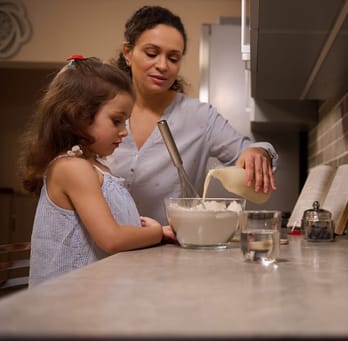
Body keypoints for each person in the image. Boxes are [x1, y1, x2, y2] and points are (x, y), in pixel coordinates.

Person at [106, 5, 278, 225]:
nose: (162, 65)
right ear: (128, 53)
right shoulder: (100, 108)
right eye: (151, 53)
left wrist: (260, 153)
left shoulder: (200, 117)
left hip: (166, 252)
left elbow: (257, 154)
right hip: (101, 250)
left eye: (173, 58)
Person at [18, 55, 176, 286]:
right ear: (78, 116)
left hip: (96, 293)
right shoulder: (72, 168)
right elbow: (111, 238)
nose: (124, 131)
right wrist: (158, 233)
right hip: (65, 302)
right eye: (116, 121)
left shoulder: (95, 167)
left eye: (126, 122)